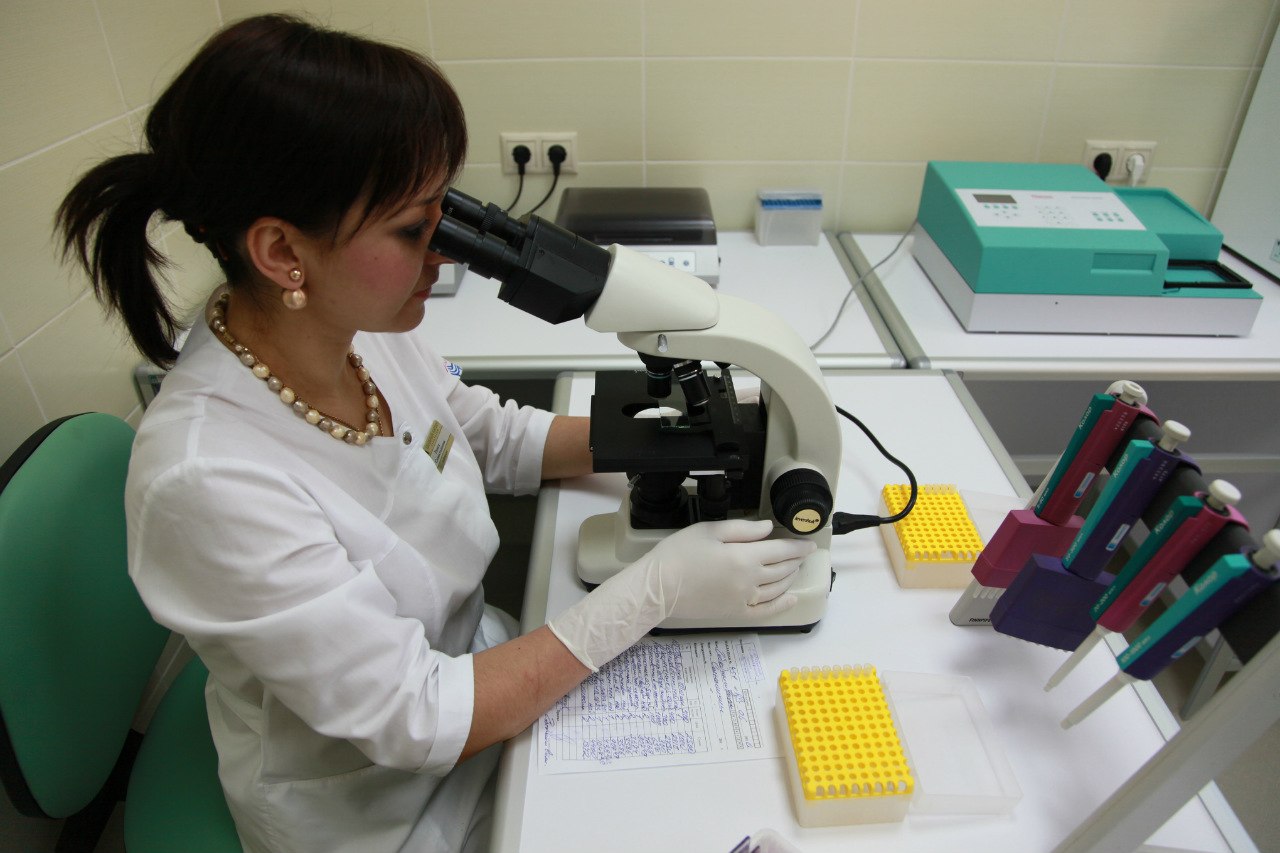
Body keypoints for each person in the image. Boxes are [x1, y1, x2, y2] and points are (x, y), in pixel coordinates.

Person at [56, 14, 814, 853]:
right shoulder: (206, 477)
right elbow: (413, 714)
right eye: (414, 229)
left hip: (485, 675)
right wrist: (655, 591)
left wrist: (674, 434)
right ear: (281, 251)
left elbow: (478, 433)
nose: (444, 254)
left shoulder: (358, 327)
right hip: (383, 801)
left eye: (445, 214)